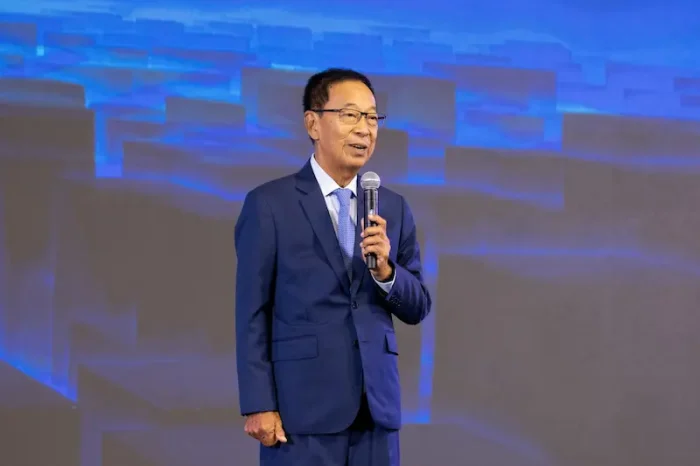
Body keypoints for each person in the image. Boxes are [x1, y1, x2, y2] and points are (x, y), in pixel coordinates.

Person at [235, 67, 432, 466]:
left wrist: (386, 273)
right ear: (313, 123)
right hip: (301, 413)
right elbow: (252, 312)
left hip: (375, 411)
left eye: (372, 117)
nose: (365, 129)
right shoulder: (270, 205)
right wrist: (258, 403)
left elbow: (418, 306)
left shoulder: (393, 207)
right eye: (350, 115)